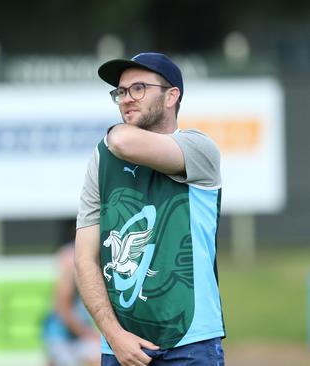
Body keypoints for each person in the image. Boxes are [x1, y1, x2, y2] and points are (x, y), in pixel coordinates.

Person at [73, 52, 224, 366]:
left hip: (190, 342)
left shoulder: (199, 149)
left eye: (138, 88)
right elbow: (85, 261)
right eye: (121, 92)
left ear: (172, 96)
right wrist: (113, 336)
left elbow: (123, 142)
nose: (126, 98)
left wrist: (114, 135)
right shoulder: (102, 161)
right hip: (122, 347)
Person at [42, 243, 100, 366]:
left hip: (67, 333)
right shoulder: (74, 257)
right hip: (62, 335)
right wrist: (86, 333)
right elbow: (63, 307)